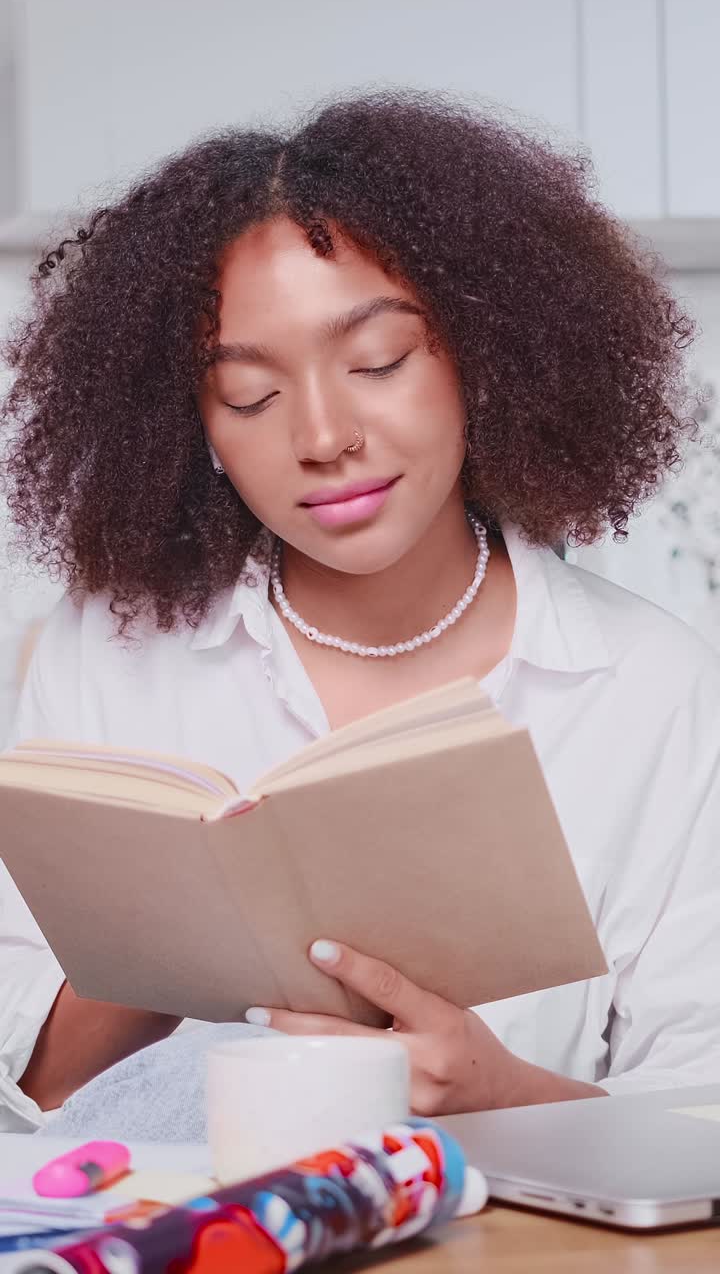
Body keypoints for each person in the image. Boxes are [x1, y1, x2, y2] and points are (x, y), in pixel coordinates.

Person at [1, 90, 719, 1135]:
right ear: (190, 422)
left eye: (378, 362)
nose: (324, 434)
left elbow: (701, 1114)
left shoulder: (649, 682)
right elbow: (32, 1093)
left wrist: (499, 1091)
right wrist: (167, 938)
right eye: (250, 395)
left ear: (482, 352)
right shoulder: (110, 648)